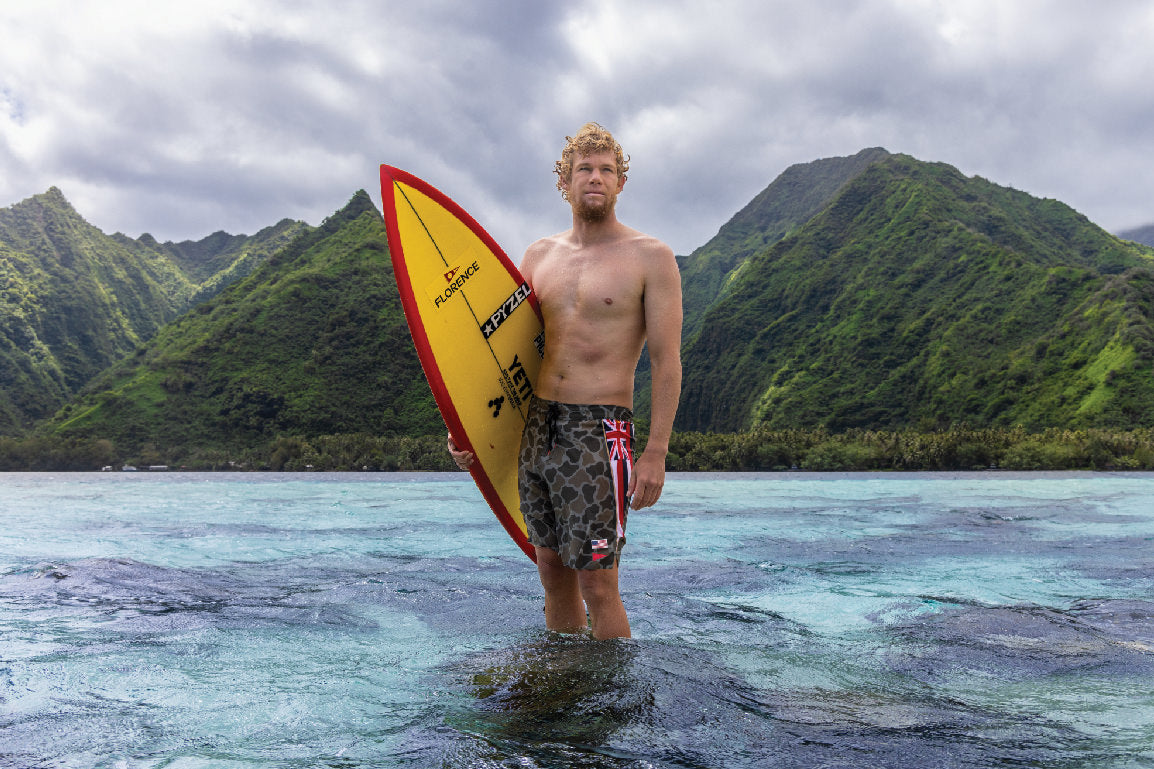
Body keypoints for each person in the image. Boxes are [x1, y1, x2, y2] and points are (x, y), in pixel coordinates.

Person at [449, 122, 682, 640]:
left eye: (606, 170)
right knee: (552, 573)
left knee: (599, 584)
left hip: (601, 430)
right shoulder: (537, 257)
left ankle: (612, 702)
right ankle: (565, 690)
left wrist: (656, 452)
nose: (595, 177)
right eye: (584, 169)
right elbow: (503, 355)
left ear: (621, 182)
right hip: (537, 428)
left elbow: (667, 362)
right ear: (565, 182)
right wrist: (469, 429)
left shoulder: (651, 257)